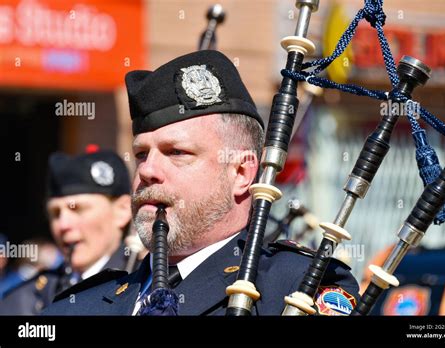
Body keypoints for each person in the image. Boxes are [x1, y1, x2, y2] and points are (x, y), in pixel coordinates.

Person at [42, 50, 360, 316]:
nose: (148, 170)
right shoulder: (79, 307)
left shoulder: (297, 287)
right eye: (141, 154)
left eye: (177, 152)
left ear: (241, 173)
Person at [0, 147, 134, 314]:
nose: (62, 225)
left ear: (122, 210)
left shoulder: (146, 284)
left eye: (78, 209)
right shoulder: (27, 299)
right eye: (55, 213)